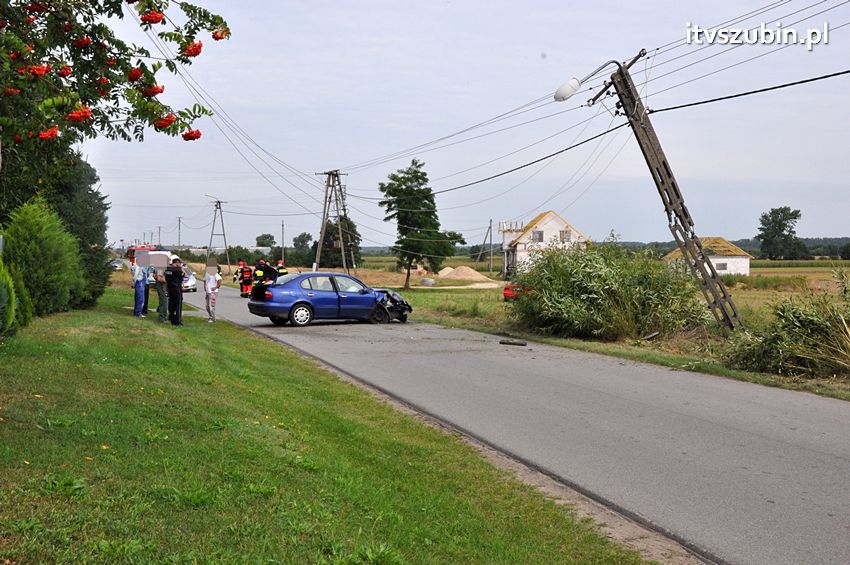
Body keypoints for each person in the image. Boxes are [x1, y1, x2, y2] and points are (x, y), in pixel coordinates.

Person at [164, 257, 188, 326]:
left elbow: (166, 280)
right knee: (178, 305)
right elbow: (186, 275)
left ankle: (171, 318)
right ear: (177, 263)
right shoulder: (178, 270)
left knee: (171, 304)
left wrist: (167, 289)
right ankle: (177, 321)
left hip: (170, 289)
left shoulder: (168, 270)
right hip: (177, 289)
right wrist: (181, 268)